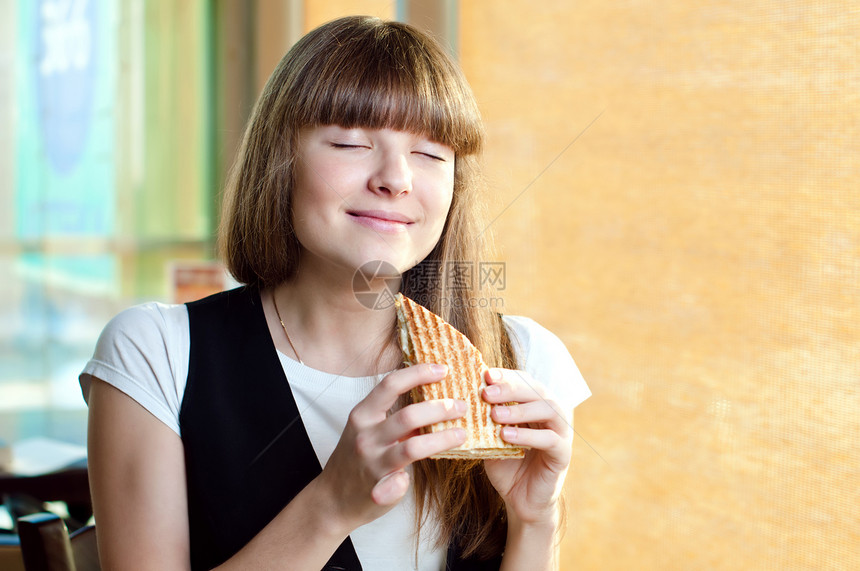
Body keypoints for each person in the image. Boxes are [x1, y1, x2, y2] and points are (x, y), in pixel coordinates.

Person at [80, 15, 590, 571]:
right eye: (350, 141)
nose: (396, 178)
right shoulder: (156, 353)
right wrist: (330, 506)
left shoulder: (522, 361)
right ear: (280, 160)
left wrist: (534, 521)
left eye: (430, 154)